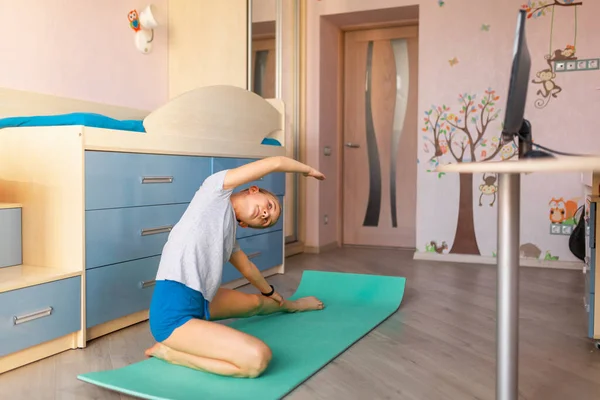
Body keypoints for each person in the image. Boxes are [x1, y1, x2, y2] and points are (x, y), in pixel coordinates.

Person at [144, 155, 326, 378]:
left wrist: (270, 292)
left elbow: (248, 267)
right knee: (257, 360)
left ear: (244, 225)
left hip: (201, 300)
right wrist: (307, 170)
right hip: (172, 316)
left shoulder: (229, 236)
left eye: (266, 220)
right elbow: (276, 162)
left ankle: (292, 305)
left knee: (259, 302)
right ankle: (171, 353)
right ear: (253, 189)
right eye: (270, 205)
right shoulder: (214, 191)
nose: (266, 214)